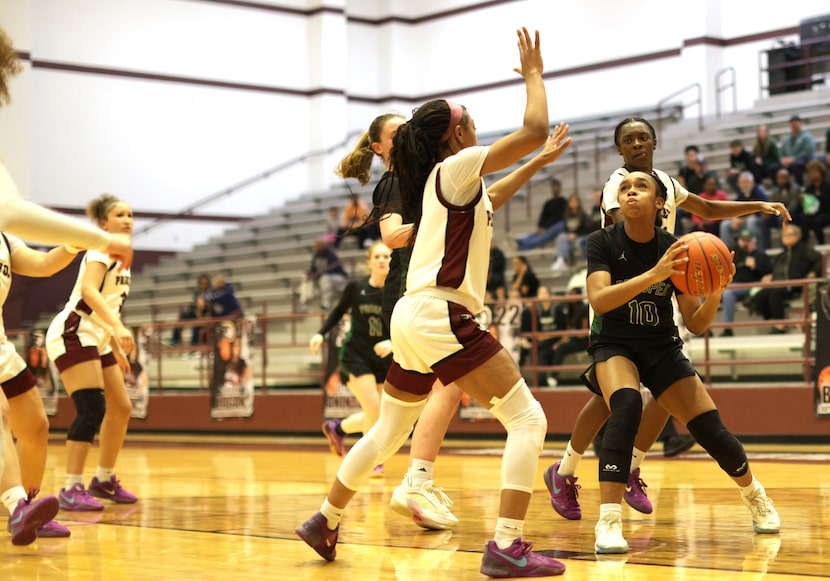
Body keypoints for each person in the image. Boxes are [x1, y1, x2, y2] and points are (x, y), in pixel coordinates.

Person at [296, 27, 573, 578]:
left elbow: (493, 197)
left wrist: (538, 162)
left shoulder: (445, 181)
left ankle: (324, 519)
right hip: (441, 312)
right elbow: (535, 124)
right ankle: (507, 546)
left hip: (413, 315)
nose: (474, 122)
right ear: (459, 131)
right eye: (468, 117)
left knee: (386, 433)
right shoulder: (458, 165)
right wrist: (535, 74)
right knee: (527, 419)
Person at [544, 117, 790, 523]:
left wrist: (755, 207)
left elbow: (707, 209)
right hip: (620, 288)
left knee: (657, 392)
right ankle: (583, 471)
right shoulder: (617, 185)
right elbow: (623, 228)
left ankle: (613, 466)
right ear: (620, 150)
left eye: (643, 137)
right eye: (628, 140)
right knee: (618, 398)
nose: (637, 144)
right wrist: (655, 267)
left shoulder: (667, 184)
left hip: (664, 288)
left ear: (654, 143)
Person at [583, 169, 779, 554]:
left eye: (641, 187)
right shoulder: (601, 241)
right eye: (625, 188)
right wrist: (654, 274)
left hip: (660, 345)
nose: (631, 192)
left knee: (711, 429)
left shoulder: (677, 246)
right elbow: (600, 300)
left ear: (660, 203)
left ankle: (755, 495)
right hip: (614, 342)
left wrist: (717, 290)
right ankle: (608, 520)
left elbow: (695, 322)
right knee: (625, 405)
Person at [336, 110, 461, 530]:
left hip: (420, 290)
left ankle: (328, 514)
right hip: (409, 291)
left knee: (393, 422)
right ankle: (417, 480)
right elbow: (390, 237)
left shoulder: (422, 177)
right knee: (448, 384)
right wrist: (436, 219)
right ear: (379, 147)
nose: (407, 135)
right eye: (397, 133)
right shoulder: (392, 180)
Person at [0, 28, 133, 265]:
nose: (127, 220)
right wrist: (105, 241)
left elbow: (41, 265)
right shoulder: (99, 258)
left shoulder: (6, 242)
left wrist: (72, 243)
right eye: (120, 215)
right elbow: (7, 209)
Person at [45, 194, 138, 512]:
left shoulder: (124, 257)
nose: (127, 219)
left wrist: (112, 342)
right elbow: (87, 291)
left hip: (96, 338)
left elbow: (108, 303)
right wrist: (117, 328)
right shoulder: (101, 248)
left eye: (129, 214)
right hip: (73, 331)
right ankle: (71, 487)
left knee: (121, 407)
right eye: (119, 215)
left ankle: (104, 479)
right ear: (102, 223)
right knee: (91, 408)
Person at [0, 236, 89, 542]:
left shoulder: (4, 237)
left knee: (36, 427)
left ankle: (29, 510)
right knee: (1, 414)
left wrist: (71, 246)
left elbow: (42, 264)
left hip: (0, 348)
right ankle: (16, 507)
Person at [311, 242, 392, 470]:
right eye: (376, 256)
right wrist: (320, 334)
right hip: (357, 355)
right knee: (375, 411)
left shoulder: (398, 293)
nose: (381, 260)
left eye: (386, 256)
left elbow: (405, 324)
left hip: (384, 358)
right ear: (369, 262)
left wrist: (393, 343)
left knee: (381, 415)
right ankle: (374, 461)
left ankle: (337, 429)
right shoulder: (356, 288)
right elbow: (337, 312)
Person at [749, 223, 821, 334]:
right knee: (759, 296)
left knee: (775, 294)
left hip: (793, 285)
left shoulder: (805, 250)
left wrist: (814, 272)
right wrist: (769, 277)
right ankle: (773, 320)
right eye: (784, 235)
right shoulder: (781, 255)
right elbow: (774, 271)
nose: (786, 237)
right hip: (776, 284)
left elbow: (819, 259)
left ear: (798, 235)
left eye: (789, 235)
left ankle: (780, 326)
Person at [719, 229, 773, 337]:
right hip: (734, 285)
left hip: (754, 285)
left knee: (728, 293)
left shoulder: (761, 255)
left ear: (754, 242)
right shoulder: (734, 255)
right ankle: (706, 330)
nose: (745, 243)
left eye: (748, 241)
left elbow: (770, 273)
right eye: (743, 241)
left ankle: (727, 328)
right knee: (709, 292)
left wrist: (755, 267)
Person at [546, 271, 590, 388]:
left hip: (583, 340)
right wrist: (561, 340)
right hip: (574, 338)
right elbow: (568, 329)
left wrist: (570, 337)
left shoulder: (584, 308)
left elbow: (583, 332)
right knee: (554, 347)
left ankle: (553, 377)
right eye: (569, 294)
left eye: (573, 294)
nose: (570, 296)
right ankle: (544, 377)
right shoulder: (570, 309)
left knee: (561, 348)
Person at [519, 286, 564, 387]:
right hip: (541, 340)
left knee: (541, 351)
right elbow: (534, 329)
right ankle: (539, 379)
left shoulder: (557, 308)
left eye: (544, 293)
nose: (542, 295)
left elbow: (562, 329)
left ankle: (542, 379)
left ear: (549, 295)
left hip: (554, 339)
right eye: (540, 293)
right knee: (534, 349)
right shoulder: (536, 309)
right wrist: (539, 337)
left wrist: (547, 337)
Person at [720, 171, 774, 251]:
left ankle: (758, 250)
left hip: (759, 222)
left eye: (746, 182)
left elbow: (764, 212)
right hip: (744, 221)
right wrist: (735, 218)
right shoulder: (741, 194)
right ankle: (726, 251)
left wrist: (743, 220)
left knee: (751, 222)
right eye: (741, 183)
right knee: (725, 224)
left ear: (752, 183)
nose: (743, 185)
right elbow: (735, 209)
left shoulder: (759, 193)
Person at [516, 177, 566, 250]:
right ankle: (523, 242)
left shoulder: (563, 202)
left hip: (555, 227)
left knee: (556, 227)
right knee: (535, 233)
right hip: (546, 227)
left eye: (556, 186)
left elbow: (559, 217)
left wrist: (546, 227)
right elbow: (543, 216)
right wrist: (541, 227)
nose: (555, 188)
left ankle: (523, 243)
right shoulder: (548, 203)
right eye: (553, 186)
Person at [300, 239, 348, 311]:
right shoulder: (316, 255)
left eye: (319, 249)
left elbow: (331, 270)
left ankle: (326, 304)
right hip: (321, 277)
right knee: (305, 278)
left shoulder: (331, 254)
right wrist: (309, 274)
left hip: (337, 277)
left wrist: (318, 274)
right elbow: (313, 268)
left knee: (325, 277)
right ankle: (303, 302)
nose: (318, 251)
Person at [551, 193, 594, 272]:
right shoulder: (566, 215)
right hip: (570, 238)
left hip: (581, 237)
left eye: (575, 201)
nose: (573, 203)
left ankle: (586, 262)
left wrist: (576, 235)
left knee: (579, 241)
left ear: (579, 202)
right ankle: (561, 260)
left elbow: (587, 229)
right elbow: (566, 229)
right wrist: (569, 234)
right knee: (561, 237)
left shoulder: (584, 215)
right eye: (572, 201)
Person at [170, 273, 212, 347]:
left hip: (207, 315)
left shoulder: (212, 293)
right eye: (202, 283)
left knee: (196, 325)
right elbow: (196, 305)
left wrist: (201, 315)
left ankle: (193, 347)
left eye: (205, 283)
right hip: (197, 314)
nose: (203, 285)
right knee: (184, 315)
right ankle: (174, 339)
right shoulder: (197, 292)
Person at [795, 159, 830, 244]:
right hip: (811, 215)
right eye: (810, 172)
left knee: (815, 221)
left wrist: (817, 197)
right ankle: (803, 246)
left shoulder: (827, 187)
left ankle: (821, 244)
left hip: (826, 213)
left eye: (814, 171)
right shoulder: (809, 189)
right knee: (804, 221)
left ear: (821, 172)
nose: (812, 174)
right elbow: (804, 205)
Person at [780, 114, 817, 186]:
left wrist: (794, 159)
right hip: (789, 162)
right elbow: (782, 152)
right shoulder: (786, 139)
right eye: (792, 123)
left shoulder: (807, 136)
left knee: (797, 165)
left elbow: (808, 152)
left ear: (800, 123)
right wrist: (783, 159)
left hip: (804, 160)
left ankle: (799, 186)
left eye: (796, 122)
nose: (794, 124)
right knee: (774, 167)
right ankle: (781, 188)